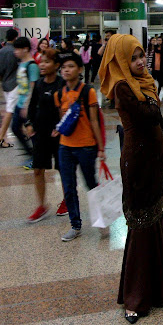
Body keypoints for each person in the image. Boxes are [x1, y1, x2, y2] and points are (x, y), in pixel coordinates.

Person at [99, 34, 163, 324]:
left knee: (153, 218)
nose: (140, 61)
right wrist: (155, 100)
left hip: (155, 158)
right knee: (141, 223)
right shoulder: (122, 87)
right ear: (120, 60)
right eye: (133, 58)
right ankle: (135, 297)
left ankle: (158, 289)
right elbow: (149, 114)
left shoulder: (144, 84)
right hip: (138, 162)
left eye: (141, 55)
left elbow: (158, 121)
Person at [53, 52, 105, 242]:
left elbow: (94, 120)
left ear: (80, 69)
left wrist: (100, 148)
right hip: (65, 147)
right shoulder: (59, 94)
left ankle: (101, 218)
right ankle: (75, 225)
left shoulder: (88, 92)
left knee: (91, 184)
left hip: (86, 146)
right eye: (64, 67)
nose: (66, 70)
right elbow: (63, 120)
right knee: (68, 187)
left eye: (71, 66)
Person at [25, 48, 66, 223]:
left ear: (56, 65)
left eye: (47, 62)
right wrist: (29, 123)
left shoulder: (62, 84)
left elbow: (69, 109)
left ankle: (67, 200)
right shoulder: (40, 84)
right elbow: (32, 106)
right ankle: (41, 205)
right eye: (41, 61)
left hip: (59, 135)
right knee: (38, 170)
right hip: (41, 134)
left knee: (63, 169)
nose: (42, 65)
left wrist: (62, 127)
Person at [12, 37, 41, 169]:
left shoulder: (32, 65)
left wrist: (27, 106)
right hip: (20, 103)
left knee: (32, 132)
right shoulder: (21, 64)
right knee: (15, 128)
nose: (15, 52)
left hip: (27, 105)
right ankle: (32, 154)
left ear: (25, 49)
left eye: (18, 49)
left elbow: (33, 87)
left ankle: (36, 158)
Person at [0, 29, 19, 149]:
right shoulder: (15, 52)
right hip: (15, 84)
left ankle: (24, 132)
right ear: (15, 38)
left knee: (16, 109)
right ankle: (1, 137)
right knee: (10, 111)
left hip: (5, 85)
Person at [152, 37, 163, 102]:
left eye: (160, 40)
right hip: (156, 67)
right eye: (158, 40)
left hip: (162, 68)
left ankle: (158, 94)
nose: (159, 41)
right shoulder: (155, 49)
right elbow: (154, 58)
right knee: (160, 81)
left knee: (160, 81)